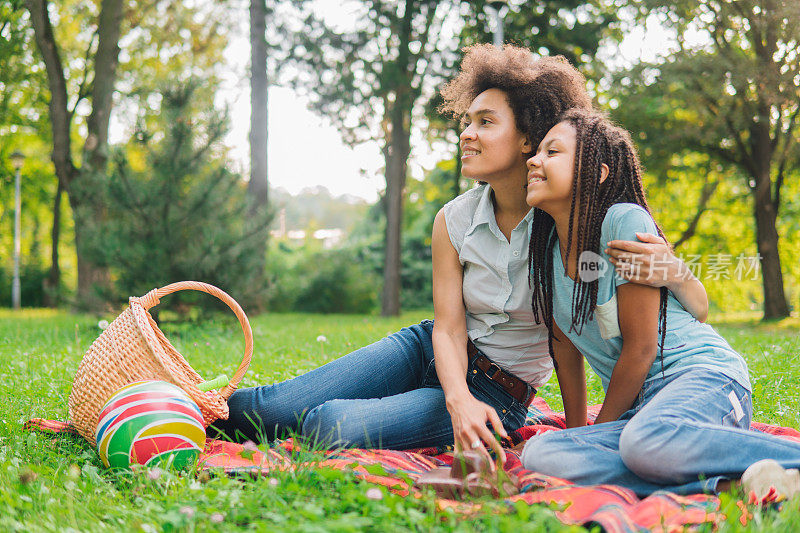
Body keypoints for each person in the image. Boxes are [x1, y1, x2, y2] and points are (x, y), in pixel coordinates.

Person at [210, 45, 706, 462]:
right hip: (428, 349)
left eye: (485, 122)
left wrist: (577, 433)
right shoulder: (452, 220)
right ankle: (161, 405)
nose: (466, 134)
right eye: (466, 121)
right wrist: (455, 399)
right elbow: (447, 326)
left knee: (329, 424)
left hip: (499, 392)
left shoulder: (564, 219)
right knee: (267, 409)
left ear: (529, 137)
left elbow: (569, 340)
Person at [520, 108, 800, 499]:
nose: (534, 160)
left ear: (596, 173)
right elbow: (565, 350)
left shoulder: (622, 221)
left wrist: (604, 429)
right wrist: (579, 433)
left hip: (704, 380)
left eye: (553, 152)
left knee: (644, 442)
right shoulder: (545, 253)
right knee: (542, 454)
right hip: (645, 414)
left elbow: (641, 349)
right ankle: (732, 482)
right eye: (538, 152)